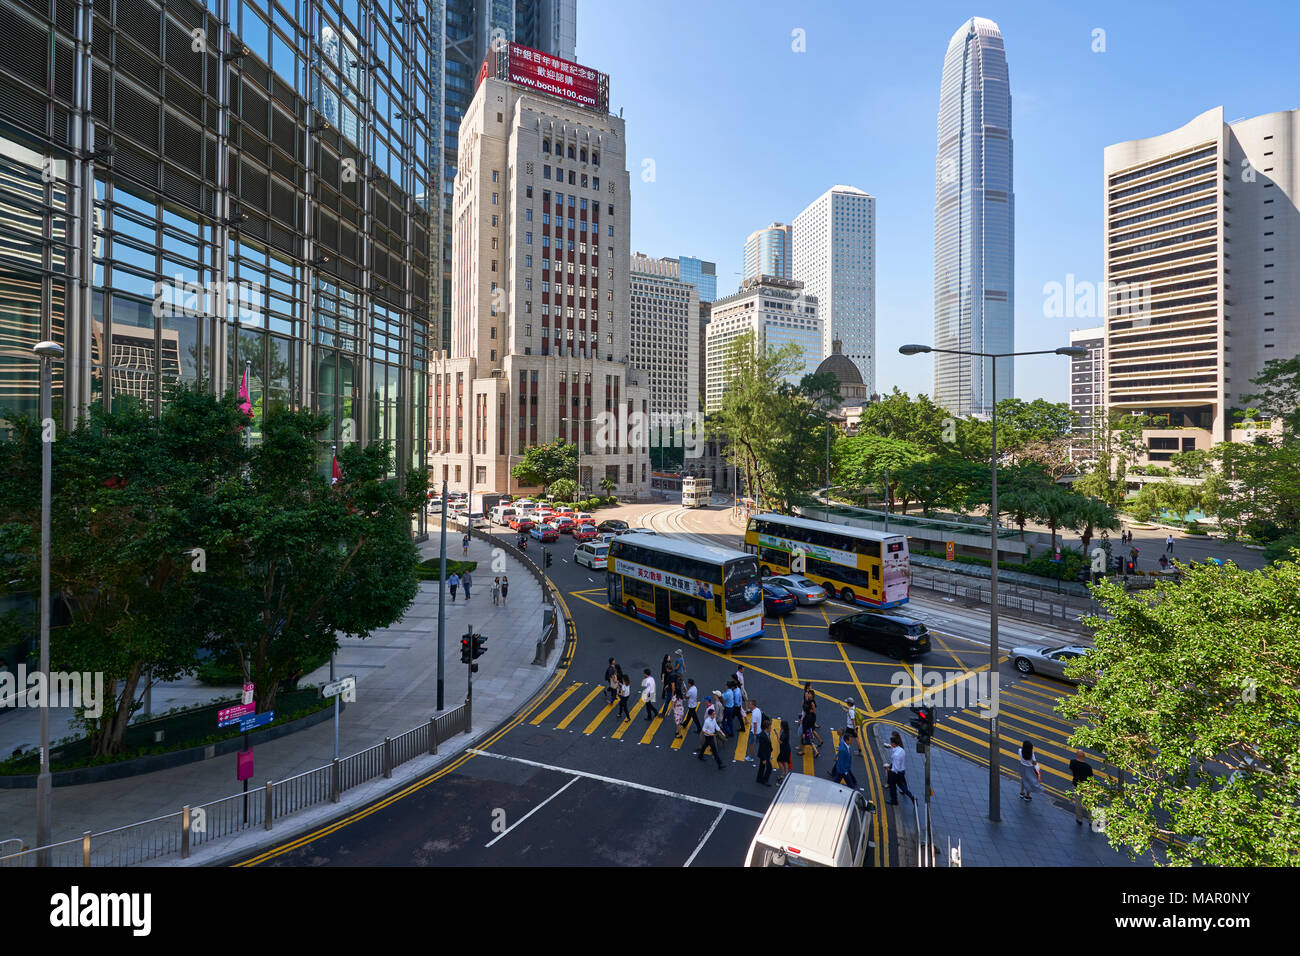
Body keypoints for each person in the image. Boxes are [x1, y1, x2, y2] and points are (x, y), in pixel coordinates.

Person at [886, 732, 915, 805]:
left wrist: (889, 769)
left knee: (893, 787)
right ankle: (911, 796)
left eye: (891, 743)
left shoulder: (896, 755)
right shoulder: (901, 750)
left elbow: (896, 768)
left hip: (895, 773)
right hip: (901, 772)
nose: (891, 744)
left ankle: (894, 801)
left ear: (893, 744)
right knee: (902, 786)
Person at [1070, 749, 1094, 825]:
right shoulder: (1088, 767)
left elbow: (1071, 772)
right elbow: (1091, 779)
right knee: (1089, 804)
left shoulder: (1072, 762)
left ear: (1077, 755)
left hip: (1076, 785)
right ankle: (1090, 820)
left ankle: (1079, 819)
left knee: (1078, 803)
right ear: (1084, 756)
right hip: (1086, 787)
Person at [755, 717, 774, 786]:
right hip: (764, 756)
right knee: (769, 768)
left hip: (766, 754)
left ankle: (759, 779)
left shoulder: (766, 734)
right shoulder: (763, 736)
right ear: (766, 728)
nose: (771, 728)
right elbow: (762, 749)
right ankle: (765, 780)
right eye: (770, 727)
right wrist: (764, 759)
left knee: (762, 767)